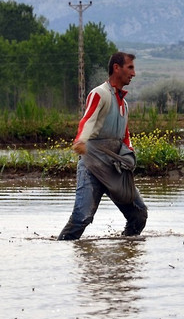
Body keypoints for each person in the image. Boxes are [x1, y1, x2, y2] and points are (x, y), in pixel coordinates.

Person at [57, 52, 148, 240]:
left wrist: (129, 155)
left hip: (114, 167)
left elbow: (124, 136)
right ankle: (61, 248)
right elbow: (87, 120)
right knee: (82, 217)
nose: (134, 73)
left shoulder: (125, 105)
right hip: (92, 166)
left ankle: (126, 245)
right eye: (130, 67)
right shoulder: (99, 93)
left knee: (138, 214)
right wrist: (81, 141)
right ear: (117, 68)